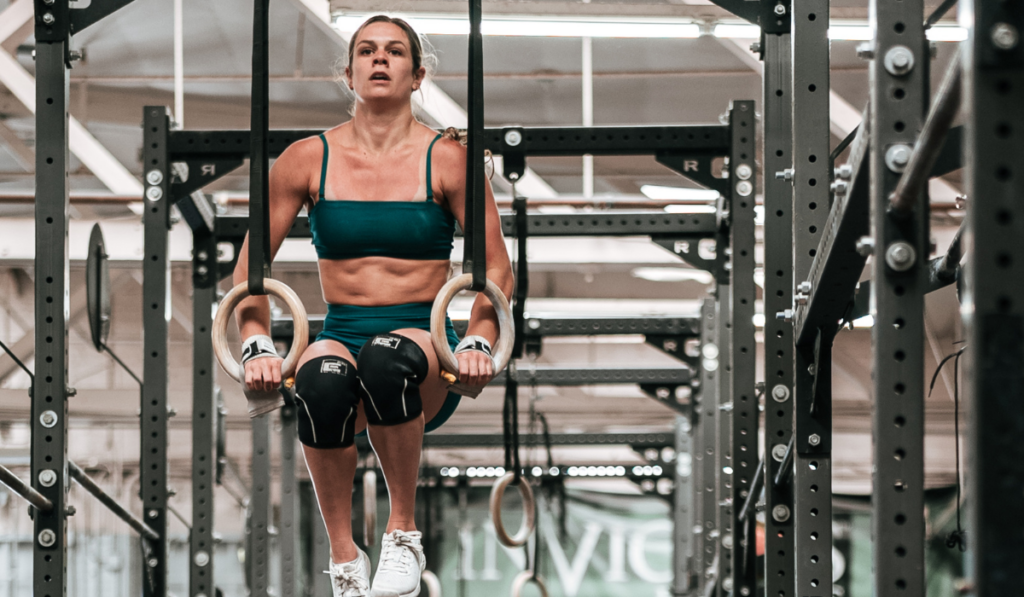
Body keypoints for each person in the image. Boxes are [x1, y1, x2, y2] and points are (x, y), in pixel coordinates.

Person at [232, 15, 513, 597]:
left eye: (393, 52)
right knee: (320, 378)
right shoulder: (306, 159)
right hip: (342, 329)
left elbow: (497, 272)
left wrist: (482, 342)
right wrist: (257, 347)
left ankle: (403, 534)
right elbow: (249, 277)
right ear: (350, 71)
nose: (379, 60)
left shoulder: (448, 160)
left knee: (385, 360)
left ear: (417, 75)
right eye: (365, 51)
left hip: (424, 347)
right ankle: (345, 561)